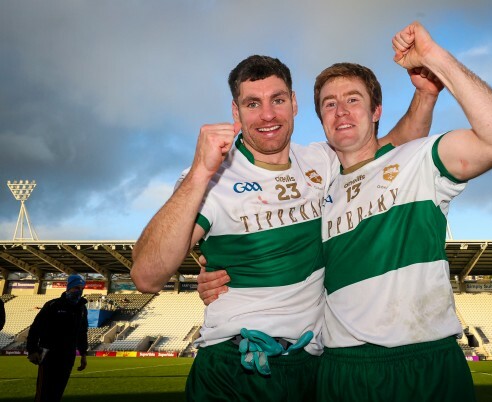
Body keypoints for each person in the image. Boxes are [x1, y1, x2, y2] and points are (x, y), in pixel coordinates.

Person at [131, 54, 439, 401]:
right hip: (235, 367)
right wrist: (200, 172)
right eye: (252, 103)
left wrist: (426, 94)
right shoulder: (209, 180)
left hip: (308, 368)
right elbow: (147, 276)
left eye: (277, 100)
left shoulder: (322, 160)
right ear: (236, 113)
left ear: (293, 104)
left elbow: (394, 151)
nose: (267, 115)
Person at [310, 21, 492, 401]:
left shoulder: (418, 159)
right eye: (330, 103)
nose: (341, 110)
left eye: (353, 99)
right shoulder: (317, 191)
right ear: (322, 119)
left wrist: (435, 59)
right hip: (343, 370)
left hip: (426, 365)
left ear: (376, 111)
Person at [27, 274, 88, 402]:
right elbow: (35, 328)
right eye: (76, 287)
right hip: (49, 355)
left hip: (68, 356)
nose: (79, 291)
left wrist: (83, 354)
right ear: (69, 287)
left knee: (58, 392)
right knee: (43, 393)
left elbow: (82, 332)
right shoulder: (52, 305)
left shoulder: (82, 308)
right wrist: (32, 350)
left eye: (82, 288)